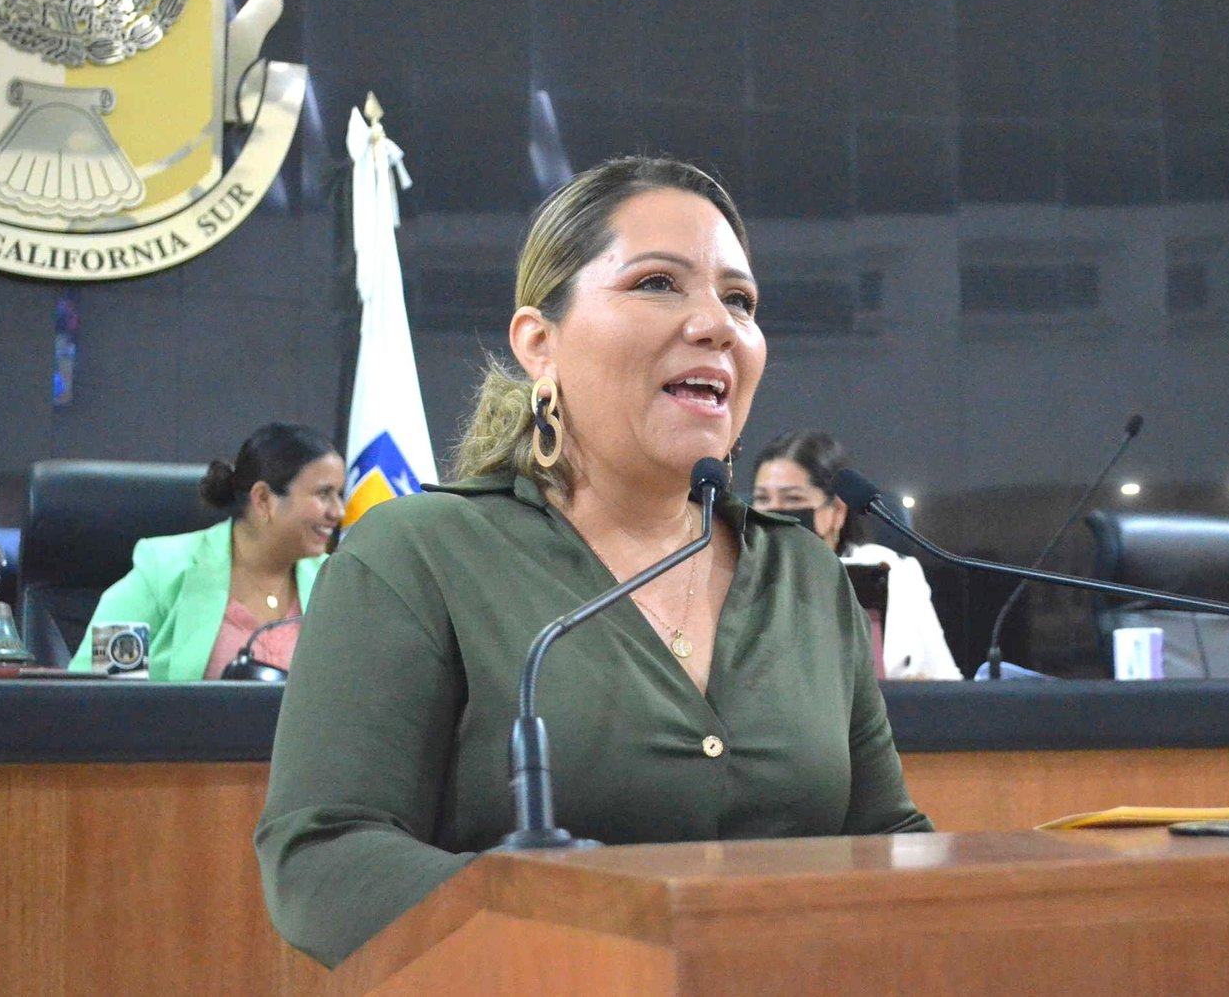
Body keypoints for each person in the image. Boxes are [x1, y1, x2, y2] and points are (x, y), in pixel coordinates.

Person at [255, 156, 932, 968]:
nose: (717, 324)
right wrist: (586, 933)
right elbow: (323, 857)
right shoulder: (416, 555)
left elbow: (885, 836)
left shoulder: (804, 576)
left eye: (740, 300)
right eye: (658, 283)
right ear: (539, 343)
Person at [71, 422, 344, 680]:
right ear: (263, 499)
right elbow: (99, 688)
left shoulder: (335, 582)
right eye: (324, 494)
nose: (338, 512)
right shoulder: (163, 569)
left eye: (339, 494)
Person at [751, 430, 962, 681]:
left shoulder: (898, 571)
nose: (774, 512)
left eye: (793, 499)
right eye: (762, 499)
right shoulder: (739, 572)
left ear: (837, 511)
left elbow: (946, 680)